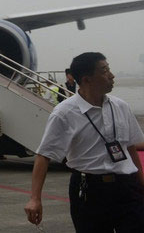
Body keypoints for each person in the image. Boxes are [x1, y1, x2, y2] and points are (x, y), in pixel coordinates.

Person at [24, 52, 144, 231]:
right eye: (104, 71)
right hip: (89, 190)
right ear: (87, 79)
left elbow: (130, 147)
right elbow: (44, 155)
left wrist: (141, 183)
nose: (111, 75)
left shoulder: (121, 106)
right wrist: (35, 199)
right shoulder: (64, 113)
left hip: (127, 187)